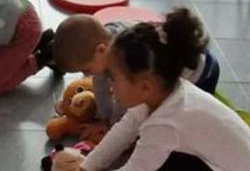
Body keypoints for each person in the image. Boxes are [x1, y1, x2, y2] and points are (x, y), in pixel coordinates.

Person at [61, 12, 250, 171]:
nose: (109, 86)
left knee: (161, 159)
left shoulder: (164, 124)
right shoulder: (168, 92)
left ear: (145, 86)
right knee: (153, 147)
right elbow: (125, 128)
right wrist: (87, 167)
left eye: (114, 78)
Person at [52, 12, 221, 124]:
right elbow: (102, 85)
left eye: (86, 69)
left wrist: (112, 125)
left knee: (171, 116)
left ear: (101, 50)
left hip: (200, 74)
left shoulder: (126, 60)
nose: (86, 75)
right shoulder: (106, 42)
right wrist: (103, 117)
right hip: (179, 57)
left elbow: (128, 102)